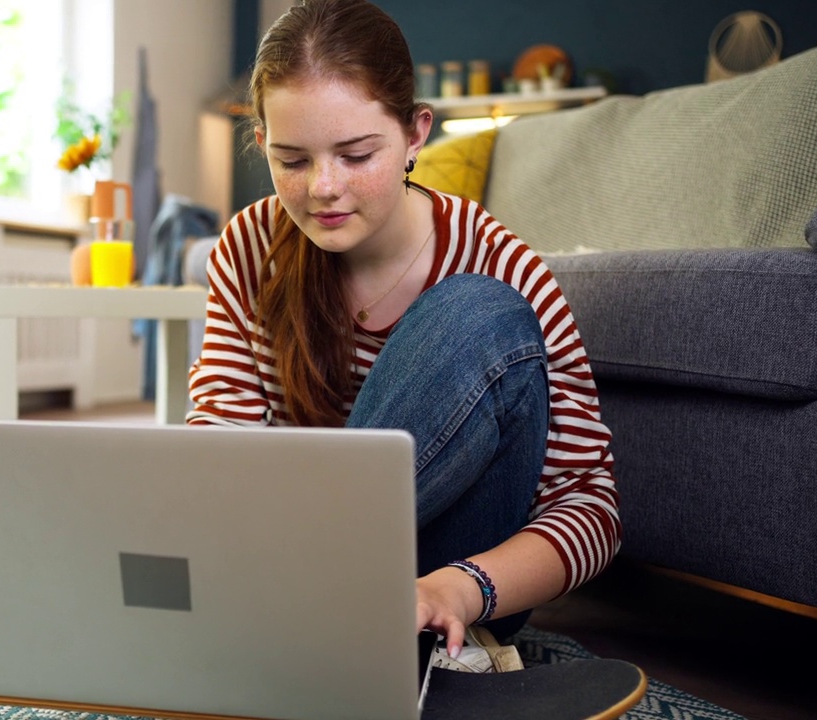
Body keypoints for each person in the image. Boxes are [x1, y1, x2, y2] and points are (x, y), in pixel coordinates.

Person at [186, 0, 620, 664]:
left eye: (357, 154)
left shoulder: (499, 260)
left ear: (417, 133)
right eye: (292, 160)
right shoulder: (251, 245)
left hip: (452, 579)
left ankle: (300, 613)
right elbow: (222, 443)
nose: (323, 188)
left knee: (480, 310)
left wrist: (464, 588)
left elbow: (592, 509)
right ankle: (309, 614)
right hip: (293, 570)